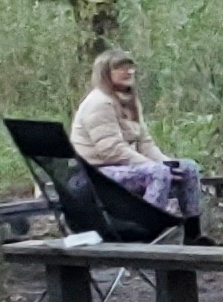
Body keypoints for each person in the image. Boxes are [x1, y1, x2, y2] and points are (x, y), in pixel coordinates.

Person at [68, 50, 205, 225]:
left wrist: (166, 163)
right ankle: (147, 227)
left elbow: (145, 143)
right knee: (158, 173)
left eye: (129, 67)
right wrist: (153, 166)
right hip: (95, 174)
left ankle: (193, 232)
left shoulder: (130, 101)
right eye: (120, 68)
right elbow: (112, 150)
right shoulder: (98, 103)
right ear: (105, 73)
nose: (128, 71)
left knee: (188, 168)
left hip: (123, 168)